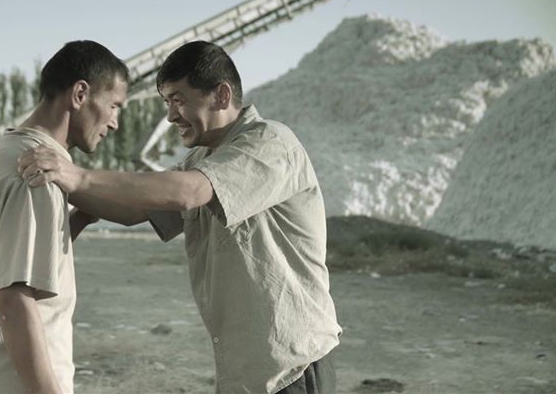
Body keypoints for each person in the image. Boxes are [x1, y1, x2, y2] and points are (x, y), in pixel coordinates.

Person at [18, 40, 341, 394]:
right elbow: (134, 210)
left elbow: (189, 192)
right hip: (247, 375)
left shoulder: (271, 143)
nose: (171, 116)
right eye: (166, 102)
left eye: (178, 100)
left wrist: (78, 176)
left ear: (221, 95)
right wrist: (59, 182)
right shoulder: (202, 159)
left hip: (291, 369)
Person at [0, 40, 128, 394]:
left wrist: (74, 221)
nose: (114, 123)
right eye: (113, 105)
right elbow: (15, 300)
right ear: (80, 94)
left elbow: (15, 260)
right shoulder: (38, 172)